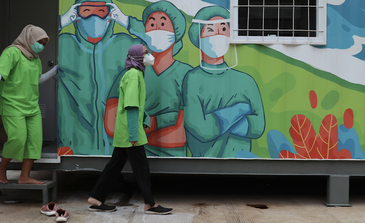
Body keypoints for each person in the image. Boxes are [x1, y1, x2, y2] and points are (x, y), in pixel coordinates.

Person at [88, 44, 173, 215]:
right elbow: (132, 106)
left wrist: (145, 117)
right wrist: (134, 133)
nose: (149, 55)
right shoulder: (134, 75)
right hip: (129, 131)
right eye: (145, 53)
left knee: (114, 166)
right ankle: (150, 204)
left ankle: (96, 198)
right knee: (142, 168)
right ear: (136, 57)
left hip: (125, 129)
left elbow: (135, 103)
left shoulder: (134, 73)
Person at [105, 1, 192, 157]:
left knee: (118, 163)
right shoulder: (130, 74)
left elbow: (181, 135)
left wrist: (146, 126)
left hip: (162, 149)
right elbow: (111, 124)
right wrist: (163, 121)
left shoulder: (187, 74)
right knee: (126, 164)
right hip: (135, 139)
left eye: (163, 23)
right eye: (152, 24)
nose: (157, 29)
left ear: (176, 31)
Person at [58, 0, 143, 156]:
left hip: (114, 138)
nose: (93, 16)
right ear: (76, 15)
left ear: (110, 15)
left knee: (117, 163)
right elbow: (35, 40)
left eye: (100, 11)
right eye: (87, 10)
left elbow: (155, 42)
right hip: (75, 142)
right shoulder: (65, 43)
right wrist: (61, 21)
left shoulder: (124, 43)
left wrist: (127, 22)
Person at [182, 6, 265, 158]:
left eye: (223, 29)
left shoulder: (246, 81)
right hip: (202, 163)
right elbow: (201, 129)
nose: (218, 35)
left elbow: (258, 127)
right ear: (198, 37)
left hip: (241, 161)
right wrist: (239, 110)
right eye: (210, 30)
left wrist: (218, 120)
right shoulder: (192, 79)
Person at [0, 25, 58, 184]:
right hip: (12, 104)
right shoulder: (12, 52)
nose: (41, 46)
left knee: (35, 141)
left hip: (32, 106)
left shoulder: (35, 58)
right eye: (40, 42)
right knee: (18, 138)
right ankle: (2, 166)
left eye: (44, 44)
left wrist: (54, 71)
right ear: (29, 38)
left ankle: (24, 177)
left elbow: (36, 80)